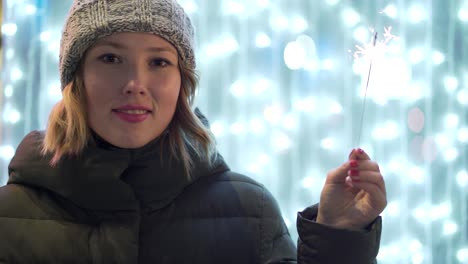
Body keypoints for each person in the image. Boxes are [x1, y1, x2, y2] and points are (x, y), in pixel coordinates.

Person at [0, 0, 387, 263]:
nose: (135, 82)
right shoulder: (8, 217)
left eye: (158, 61)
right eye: (110, 58)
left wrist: (339, 235)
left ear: (181, 84)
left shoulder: (250, 212)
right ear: (76, 79)